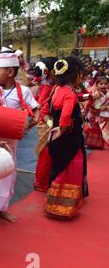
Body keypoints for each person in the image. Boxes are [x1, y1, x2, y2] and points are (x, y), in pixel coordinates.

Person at [0, 53, 40, 223]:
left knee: (8, 176)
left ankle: (2, 208)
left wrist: (31, 123)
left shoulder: (23, 91)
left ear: (9, 72)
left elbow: (36, 110)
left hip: (11, 143)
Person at [44, 57, 89, 219]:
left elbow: (47, 108)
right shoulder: (69, 94)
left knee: (58, 168)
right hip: (69, 139)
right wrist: (62, 128)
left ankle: (53, 204)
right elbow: (66, 115)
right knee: (70, 169)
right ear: (75, 75)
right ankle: (64, 208)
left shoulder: (56, 90)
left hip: (56, 138)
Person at [34, 57, 58, 192]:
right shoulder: (47, 87)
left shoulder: (49, 86)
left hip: (48, 122)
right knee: (46, 154)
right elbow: (41, 106)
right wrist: (50, 123)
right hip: (47, 123)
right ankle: (42, 182)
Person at [85, 76, 108, 149]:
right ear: (97, 85)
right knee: (94, 129)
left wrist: (105, 108)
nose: (103, 85)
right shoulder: (95, 93)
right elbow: (90, 104)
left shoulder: (108, 94)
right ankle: (92, 144)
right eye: (101, 84)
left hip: (105, 114)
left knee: (102, 130)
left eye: (105, 84)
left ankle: (99, 145)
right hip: (94, 114)